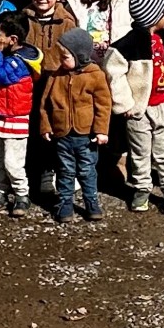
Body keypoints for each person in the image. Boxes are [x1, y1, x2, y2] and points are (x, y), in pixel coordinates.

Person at [114, 0, 164, 214]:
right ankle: (142, 187)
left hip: (163, 104)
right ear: (153, 16)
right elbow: (114, 73)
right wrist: (124, 103)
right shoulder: (129, 45)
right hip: (139, 109)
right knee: (140, 151)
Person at [0, 11, 43, 217]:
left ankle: (22, 194)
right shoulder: (1, 53)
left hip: (15, 117)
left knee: (13, 161)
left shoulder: (21, 62)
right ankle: (0, 191)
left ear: (13, 39)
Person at [40, 27, 112, 224]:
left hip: (86, 136)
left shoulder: (95, 75)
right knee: (65, 171)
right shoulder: (56, 76)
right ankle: (65, 204)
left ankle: (91, 203)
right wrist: (46, 126)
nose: (61, 60)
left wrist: (101, 130)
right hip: (62, 134)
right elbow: (45, 104)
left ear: (80, 56)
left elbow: (103, 105)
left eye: (65, 56)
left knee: (87, 171)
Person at [19, 0, 76, 203]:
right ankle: (30, 174)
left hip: (55, 83)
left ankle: (52, 172)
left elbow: (71, 52)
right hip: (29, 83)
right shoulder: (24, 18)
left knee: (52, 129)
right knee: (32, 129)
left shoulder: (66, 21)